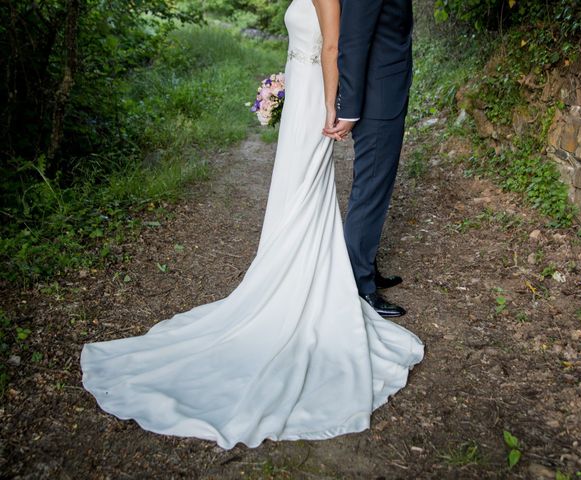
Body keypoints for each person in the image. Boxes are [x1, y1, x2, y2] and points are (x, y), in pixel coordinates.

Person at [80, 0, 423, 450]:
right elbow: (335, 43)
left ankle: (330, 271)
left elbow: (332, 43)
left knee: (304, 195)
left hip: (312, 95)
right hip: (313, 96)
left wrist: (320, 98)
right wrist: (330, 101)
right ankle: (322, 278)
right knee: (301, 193)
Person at [324, 0, 414, 318]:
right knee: (370, 189)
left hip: (388, 92)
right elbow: (352, 39)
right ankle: (359, 286)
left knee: (377, 187)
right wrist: (349, 107)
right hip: (376, 100)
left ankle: (365, 266)